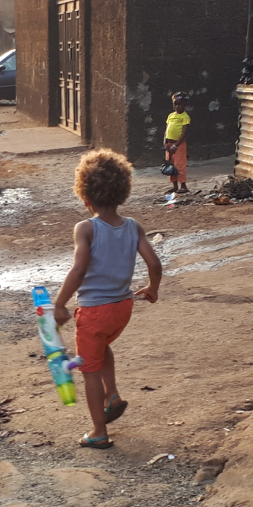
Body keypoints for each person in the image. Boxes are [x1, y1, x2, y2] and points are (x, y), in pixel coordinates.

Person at [52, 150, 163, 449]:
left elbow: (78, 269)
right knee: (102, 347)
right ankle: (111, 394)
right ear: (122, 193)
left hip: (94, 312)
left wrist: (61, 303)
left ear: (84, 195)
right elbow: (154, 263)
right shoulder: (133, 226)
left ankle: (99, 431)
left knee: (88, 369)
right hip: (122, 308)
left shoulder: (86, 228)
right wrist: (152, 288)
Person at [163, 93, 190, 195]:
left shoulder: (185, 117)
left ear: (185, 105)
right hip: (169, 144)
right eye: (175, 104)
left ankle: (183, 185)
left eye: (180, 104)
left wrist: (176, 145)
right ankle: (174, 186)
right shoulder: (170, 116)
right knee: (171, 165)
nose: (177, 106)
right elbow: (166, 130)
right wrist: (165, 142)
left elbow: (184, 133)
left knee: (179, 165)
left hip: (179, 145)